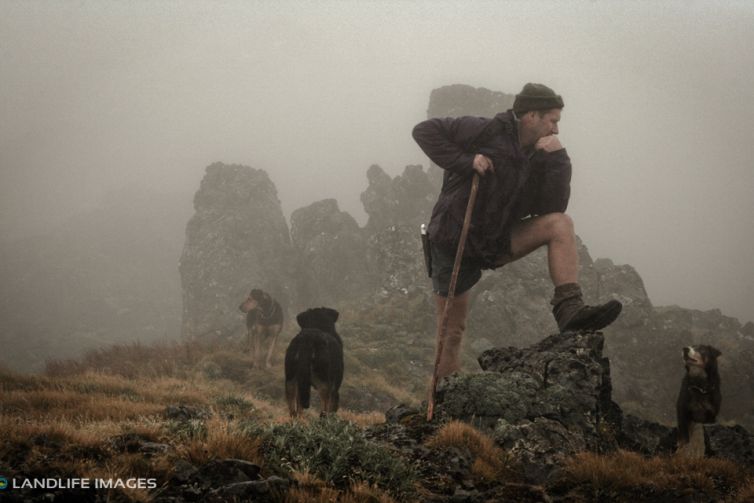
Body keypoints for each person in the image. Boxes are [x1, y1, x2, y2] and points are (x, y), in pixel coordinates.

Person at [413, 82, 622, 378]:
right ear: (531, 116)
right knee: (453, 332)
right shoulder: (485, 131)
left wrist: (558, 159)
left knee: (559, 225)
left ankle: (569, 309)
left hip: (495, 241)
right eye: (553, 121)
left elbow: (554, 206)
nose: (556, 130)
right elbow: (424, 131)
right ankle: (446, 402)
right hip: (453, 241)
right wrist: (467, 161)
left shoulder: (540, 155)